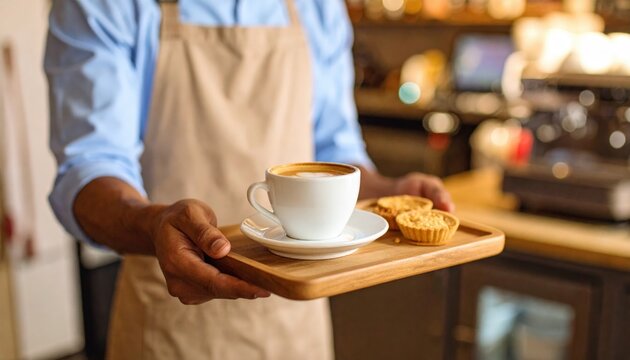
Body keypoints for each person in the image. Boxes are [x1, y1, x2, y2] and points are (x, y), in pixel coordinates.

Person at [45, 1, 454, 359]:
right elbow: (90, 168)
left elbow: (333, 152)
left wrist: (388, 193)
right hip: (170, 330)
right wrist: (152, 224)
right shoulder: (103, 5)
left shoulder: (319, 7)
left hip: (295, 329)